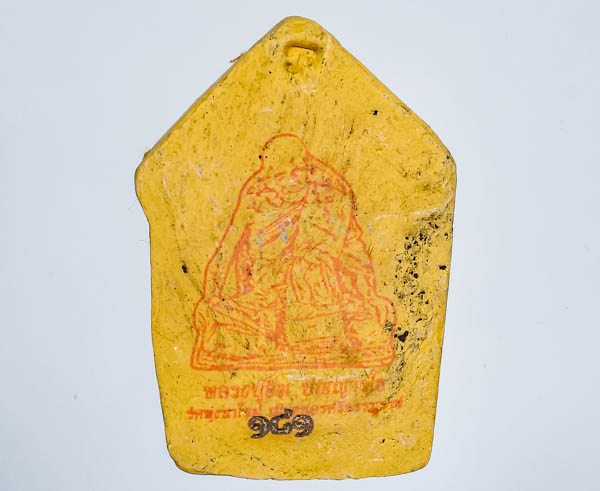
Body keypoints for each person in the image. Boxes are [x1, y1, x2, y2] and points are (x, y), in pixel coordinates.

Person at [191, 133, 395, 370]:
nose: (276, 184)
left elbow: (342, 255)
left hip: (326, 290)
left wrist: (358, 298)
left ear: (303, 170)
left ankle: (304, 334)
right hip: (268, 293)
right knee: (221, 316)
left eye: (284, 176)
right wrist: (212, 296)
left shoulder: (330, 192)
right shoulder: (257, 193)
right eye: (272, 175)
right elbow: (227, 250)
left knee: (354, 312)